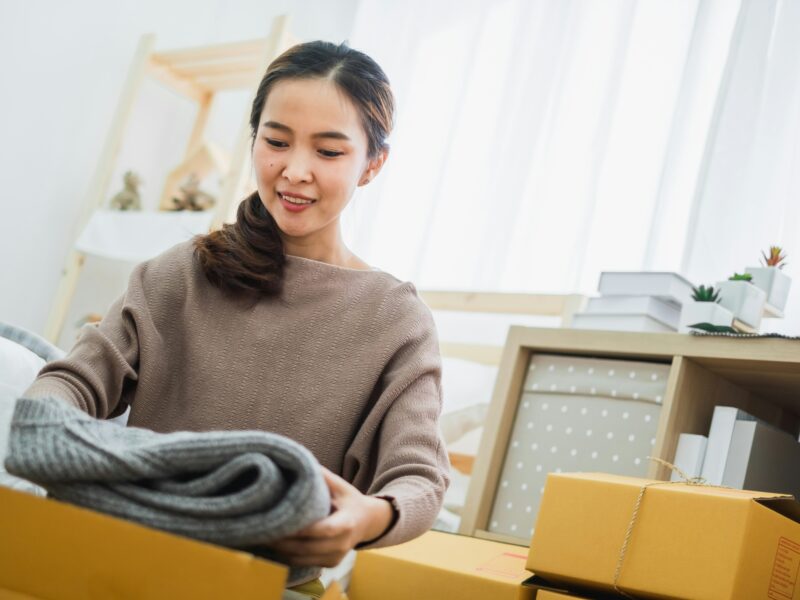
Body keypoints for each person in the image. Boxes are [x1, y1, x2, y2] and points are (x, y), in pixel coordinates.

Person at [24, 41, 450, 598]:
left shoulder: (396, 320)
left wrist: (368, 518)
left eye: (328, 152)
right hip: (114, 557)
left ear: (372, 164)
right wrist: (42, 427)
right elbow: (74, 380)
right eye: (276, 142)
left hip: (265, 585)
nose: (295, 171)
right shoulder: (179, 273)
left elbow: (418, 476)